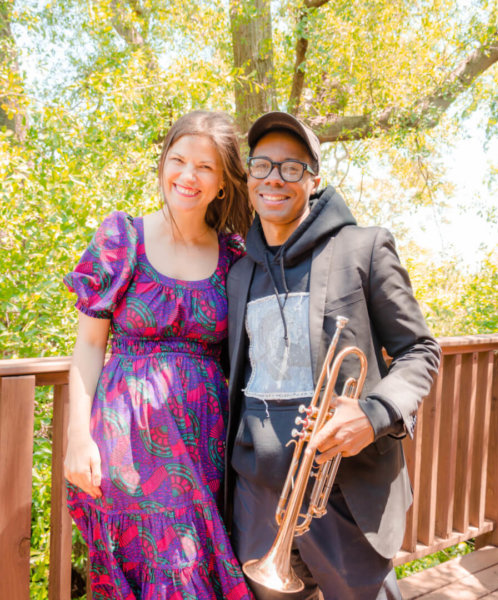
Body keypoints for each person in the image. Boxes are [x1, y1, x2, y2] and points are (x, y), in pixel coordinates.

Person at [224, 111, 441, 600]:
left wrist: (373, 414)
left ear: (314, 179)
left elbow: (420, 350)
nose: (274, 178)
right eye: (262, 166)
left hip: (344, 495)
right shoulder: (239, 274)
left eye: (291, 167)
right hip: (258, 503)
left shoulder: (363, 248)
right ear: (249, 176)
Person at [63, 110, 255, 600]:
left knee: (195, 568)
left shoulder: (235, 255)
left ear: (223, 183)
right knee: (164, 571)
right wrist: (77, 439)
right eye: (178, 160)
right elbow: (88, 345)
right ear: (163, 164)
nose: (188, 176)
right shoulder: (123, 238)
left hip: (205, 448)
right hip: (128, 444)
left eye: (205, 167)